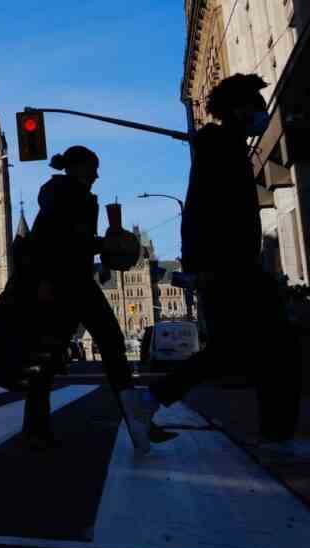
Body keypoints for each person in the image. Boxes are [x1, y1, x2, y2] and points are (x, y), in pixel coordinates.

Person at [143, 74, 302, 455]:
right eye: (257, 107)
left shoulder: (225, 147)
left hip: (233, 267)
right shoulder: (220, 149)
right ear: (240, 109)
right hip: (230, 269)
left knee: (233, 351)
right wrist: (201, 268)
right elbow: (198, 211)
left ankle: (149, 401)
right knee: (276, 348)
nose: (263, 115)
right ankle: (277, 437)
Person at [20, 145, 175, 453]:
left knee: (112, 347)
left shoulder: (77, 195)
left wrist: (105, 243)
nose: (97, 175)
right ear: (78, 167)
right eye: (93, 168)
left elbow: (75, 241)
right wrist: (47, 281)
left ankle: (137, 421)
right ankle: (34, 430)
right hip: (62, 283)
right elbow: (47, 240)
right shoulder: (61, 193)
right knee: (54, 357)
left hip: (79, 282)